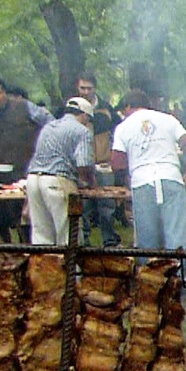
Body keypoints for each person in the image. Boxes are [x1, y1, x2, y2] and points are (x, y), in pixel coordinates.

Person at [110, 89, 186, 250]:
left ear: (129, 106)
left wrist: (127, 184)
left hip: (142, 183)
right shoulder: (168, 119)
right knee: (176, 238)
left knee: (147, 242)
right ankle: (179, 272)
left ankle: (149, 273)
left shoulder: (123, 127)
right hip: (171, 179)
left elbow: (117, 164)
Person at [0, 75, 51, 241]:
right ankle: (7, 256)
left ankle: (32, 254)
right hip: (1, 174)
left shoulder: (24, 107)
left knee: (29, 220)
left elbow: (50, 125)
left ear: (5, 93)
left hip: (31, 170)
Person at [25, 97, 96, 244]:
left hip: (33, 180)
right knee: (69, 231)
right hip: (57, 180)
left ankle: (44, 265)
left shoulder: (48, 127)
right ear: (84, 115)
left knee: (41, 232)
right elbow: (83, 164)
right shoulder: (82, 132)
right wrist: (90, 182)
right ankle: (71, 266)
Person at [75, 73, 121, 247]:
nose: (85, 91)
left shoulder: (106, 109)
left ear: (95, 88)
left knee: (107, 204)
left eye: (89, 88)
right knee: (84, 206)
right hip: (81, 165)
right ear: (77, 88)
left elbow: (119, 132)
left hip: (103, 164)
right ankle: (84, 242)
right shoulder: (71, 108)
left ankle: (110, 241)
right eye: (82, 88)